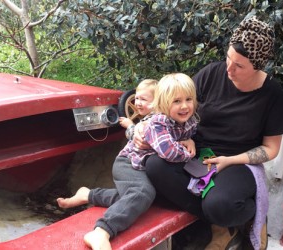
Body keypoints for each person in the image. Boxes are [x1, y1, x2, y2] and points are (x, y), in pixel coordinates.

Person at [142, 16, 283, 250]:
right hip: (195, 153)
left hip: (237, 163)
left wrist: (229, 161)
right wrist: (176, 134)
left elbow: (271, 149)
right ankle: (217, 225)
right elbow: (176, 106)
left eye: (239, 65)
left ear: (258, 65)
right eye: (228, 58)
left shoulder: (272, 94)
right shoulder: (212, 73)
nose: (229, 68)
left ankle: (245, 218)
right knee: (154, 166)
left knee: (221, 205)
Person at [57, 73, 198, 250]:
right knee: (142, 193)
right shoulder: (158, 122)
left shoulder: (189, 121)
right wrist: (189, 153)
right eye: (176, 101)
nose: (184, 106)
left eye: (189, 99)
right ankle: (102, 231)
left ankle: (89, 194)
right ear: (162, 103)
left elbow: (188, 137)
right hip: (130, 163)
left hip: (146, 165)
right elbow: (170, 152)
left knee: (141, 198)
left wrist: (191, 141)